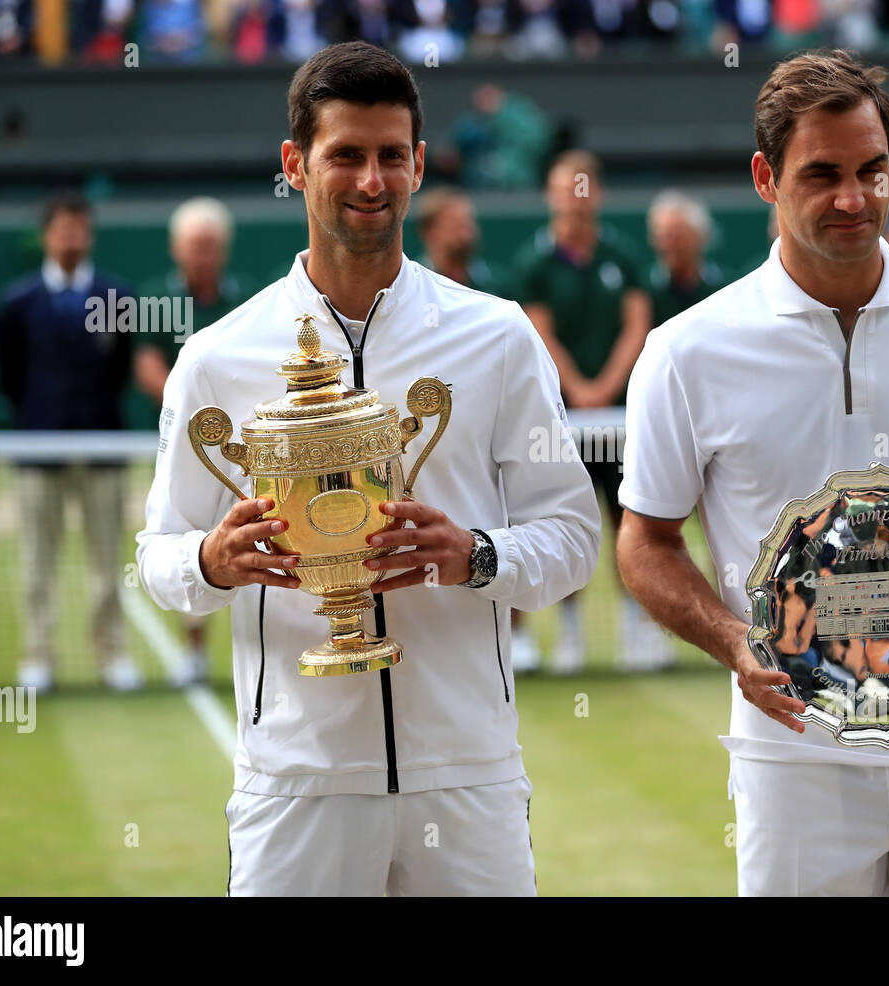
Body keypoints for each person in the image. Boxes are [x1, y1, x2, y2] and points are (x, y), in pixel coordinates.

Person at [136, 41, 600, 897]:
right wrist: (210, 561)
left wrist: (480, 555)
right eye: (345, 154)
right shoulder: (216, 356)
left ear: (420, 164)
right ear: (294, 166)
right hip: (295, 780)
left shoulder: (497, 336)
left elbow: (573, 538)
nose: (370, 180)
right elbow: (158, 557)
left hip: (468, 773)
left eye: (391, 155)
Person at [616, 49, 889, 896]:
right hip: (792, 752)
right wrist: (734, 640)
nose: (854, 198)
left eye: (872, 170)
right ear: (764, 177)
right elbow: (646, 541)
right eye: (821, 174)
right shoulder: (685, 350)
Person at [514, 148, 662, 673]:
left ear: (595, 193)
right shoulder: (534, 265)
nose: (573, 198)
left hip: (622, 421)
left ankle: (639, 629)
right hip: (561, 421)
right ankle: (569, 637)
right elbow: (540, 331)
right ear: (551, 196)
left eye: (582, 185)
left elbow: (636, 325)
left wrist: (605, 387)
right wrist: (577, 387)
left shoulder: (621, 259)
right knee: (564, 524)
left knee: (633, 522)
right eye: (562, 187)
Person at [0, 191, 139, 694]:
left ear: (90, 234)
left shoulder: (118, 297)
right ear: (46, 235)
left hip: (103, 446)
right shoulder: (18, 302)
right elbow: (11, 375)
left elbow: (120, 370)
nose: (72, 237)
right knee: (38, 563)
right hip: (39, 450)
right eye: (63, 228)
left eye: (80, 228)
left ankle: (113, 655)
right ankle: (38, 657)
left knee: (107, 563)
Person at [130, 196, 253, 686]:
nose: (203, 254)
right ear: (177, 248)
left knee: (249, 541)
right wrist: (196, 415)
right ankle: (194, 652)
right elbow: (147, 369)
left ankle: (252, 653)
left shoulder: (244, 299)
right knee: (188, 545)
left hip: (239, 452)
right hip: (179, 446)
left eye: (211, 245)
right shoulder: (156, 298)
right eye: (195, 245)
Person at [646, 189, 725, 329]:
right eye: (662, 236)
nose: (668, 245)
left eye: (677, 236)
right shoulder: (644, 290)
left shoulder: (724, 287)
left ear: (699, 237)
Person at [414, 185, 512, 297]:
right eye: (456, 225)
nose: (466, 235)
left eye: (468, 224)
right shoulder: (412, 283)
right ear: (430, 232)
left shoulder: (497, 283)